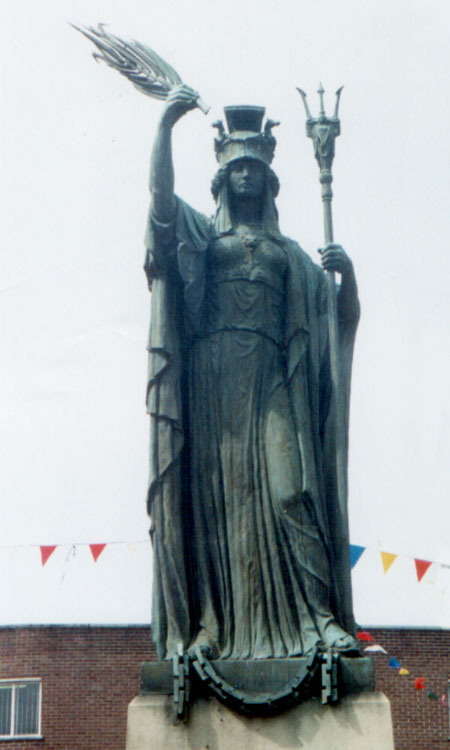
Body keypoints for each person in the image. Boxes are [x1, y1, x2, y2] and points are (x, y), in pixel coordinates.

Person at [144, 85, 360, 661]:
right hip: (212, 386)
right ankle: (213, 627)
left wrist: (346, 280)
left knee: (293, 492)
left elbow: (330, 320)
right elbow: (160, 204)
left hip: (270, 380)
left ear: (268, 180)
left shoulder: (289, 253)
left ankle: (320, 619)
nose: (245, 176)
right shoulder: (201, 233)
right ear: (221, 179)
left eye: (254, 168)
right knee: (218, 509)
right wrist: (166, 124)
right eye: (236, 167)